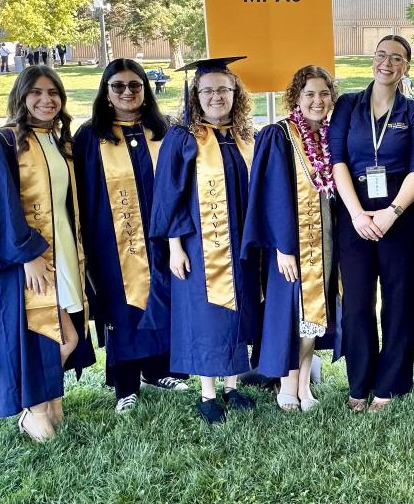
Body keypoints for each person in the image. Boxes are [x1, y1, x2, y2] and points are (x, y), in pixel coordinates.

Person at [0, 65, 95, 442]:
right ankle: (32, 410)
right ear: (20, 96)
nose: (46, 100)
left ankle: (48, 401)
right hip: (26, 258)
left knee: (66, 335)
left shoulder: (59, 143)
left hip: (62, 251)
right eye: (36, 92)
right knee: (43, 333)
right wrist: (26, 254)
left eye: (53, 92)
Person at [146, 57, 261, 424]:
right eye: (208, 90)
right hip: (199, 243)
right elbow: (168, 195)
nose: (216, 97)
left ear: (235, 94)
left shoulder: (243, 135)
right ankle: (208, 393)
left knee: (236, 310)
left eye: (223, 90)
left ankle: (232, 386)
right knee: (208, 315)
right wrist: (175, 246)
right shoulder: (182, 137)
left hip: (242, 240)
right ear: (196, 95)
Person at [74, 59, 188, 414]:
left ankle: (160, 370)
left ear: (145, 89)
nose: (127, 92)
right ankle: (126, 384)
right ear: (106, 93)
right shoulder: (91, 136)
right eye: (118, 86)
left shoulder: (164, 130)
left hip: (162, 237)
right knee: (123, 309)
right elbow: (81, 193)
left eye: (135, 85)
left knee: (164, 298)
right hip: (112, 241)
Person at [329, 35, 414, 412]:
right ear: (372, 60)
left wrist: (392, 212)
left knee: (398, 302)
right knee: (356, 303)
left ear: (406, 67)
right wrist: (356, 213)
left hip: (399, 215)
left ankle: (390, 384)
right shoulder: (347, 105)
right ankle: (360, 382)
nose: (387, 63)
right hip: (353, 213)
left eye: (397, 58)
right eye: (381, 55)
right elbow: (337, 159)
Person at [242, 65, 342, 412]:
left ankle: (304, 387)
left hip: (325, 243)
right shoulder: (279, 136)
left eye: (324, 93)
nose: (318, 101)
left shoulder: (330, 136)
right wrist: (283, 248)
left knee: (312, 317)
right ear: (296, 97)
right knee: (289, 314)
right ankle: (286, 384)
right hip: (289, 245)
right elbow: (270, 194)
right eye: (310, 94)